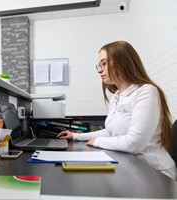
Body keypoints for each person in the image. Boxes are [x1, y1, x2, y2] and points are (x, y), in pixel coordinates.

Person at [57, 41, 176, 180]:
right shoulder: (116, 97)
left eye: (104, 63)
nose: (99, 70)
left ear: (122, 62)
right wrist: (76, 136)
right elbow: (110, 132)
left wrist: (97, 141)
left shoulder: (146, 92)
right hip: (132, 167)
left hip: (155, 172)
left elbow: (134, 144)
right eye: (99, 65)